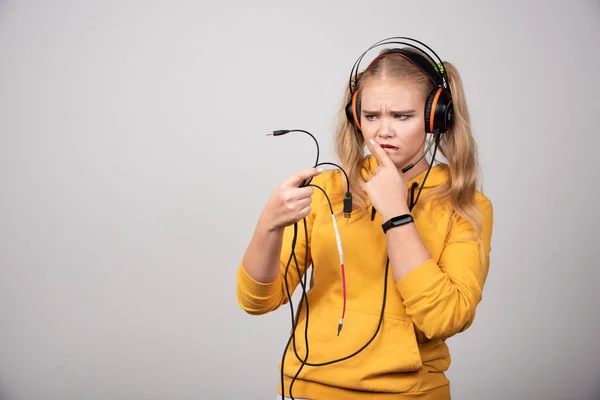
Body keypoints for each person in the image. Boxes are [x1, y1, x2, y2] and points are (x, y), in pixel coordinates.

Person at [235, 37, 494, 400]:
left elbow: (445, 318)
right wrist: (268, 225)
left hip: (410, 393)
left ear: (436, 117)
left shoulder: (464, 204)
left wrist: (397, 215)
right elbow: (256, 301)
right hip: (307, 390)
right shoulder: (328, 188)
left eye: (401, 116)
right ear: (356, 116)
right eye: (371, 116)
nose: (382, 131)